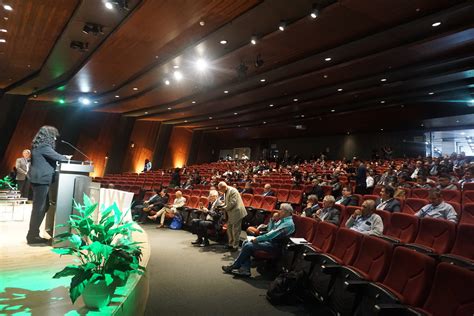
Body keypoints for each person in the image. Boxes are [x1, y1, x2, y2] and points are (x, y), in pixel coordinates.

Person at [222, 203, 295, 277]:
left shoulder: (288, 224)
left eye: (281, 210)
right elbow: (269, 231)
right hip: (270, 242)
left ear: (286, 212)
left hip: (276, 246)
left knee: (248, 245)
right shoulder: (281, 220)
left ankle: (235, 265)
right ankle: (245, 269)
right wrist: (272, 220)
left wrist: (257, 239)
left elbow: (271, 235)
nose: (279, 212)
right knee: (245, 242)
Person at [26, 126, 69, 245]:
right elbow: (59, 157)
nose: (55, 138)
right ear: (49, 136)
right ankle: (32, 236)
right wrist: (66, 157)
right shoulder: (44, 147)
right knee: (39, 208)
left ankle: (33, 234)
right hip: (41, 180)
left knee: (43, 207)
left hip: (38, 180)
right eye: (54, 136)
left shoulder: (37, 146)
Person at [218, 181, 247, 251]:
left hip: (237, 213)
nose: (220, 191)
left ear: (224, 187)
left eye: (220, 189)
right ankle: (230, 244)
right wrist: (221, 205)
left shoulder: (233, 191)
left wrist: (223, 208)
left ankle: (235, 246)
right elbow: (227, 202)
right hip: (231, 213)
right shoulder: (226, 191)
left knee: (236, 230)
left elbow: (232, 203)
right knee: (229, 229)